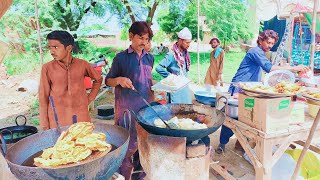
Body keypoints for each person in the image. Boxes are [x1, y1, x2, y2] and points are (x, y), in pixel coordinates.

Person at [216, 29, 309, 154]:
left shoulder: (261, 53)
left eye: (272, 44)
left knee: (247, 117)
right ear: (260, 40)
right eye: (268, 42)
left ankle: (240, 144)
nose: (270, 46)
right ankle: (222, 144)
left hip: (248, 90)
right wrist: (293, 68)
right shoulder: (255, 51)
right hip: (238, 87)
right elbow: (270, 68)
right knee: (231, 118)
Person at [105, 21, 154, 180]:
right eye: (141, 38)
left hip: (145, 110)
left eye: (147, 39)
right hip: (126, 110)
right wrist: (118, 79)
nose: (144, 42)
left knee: (144, 144)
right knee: (126, 145)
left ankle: (139, 175)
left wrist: (156, 92)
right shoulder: (121, 58)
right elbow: (108, 81)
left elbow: (148, 81)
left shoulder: (149, 58)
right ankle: (123, 176)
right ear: (131, 36)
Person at [39, 30, 102, 130]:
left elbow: (98, 79)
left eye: (55, 47)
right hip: (57, 119)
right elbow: (43, 98)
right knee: (61, 144)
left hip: (81, 116)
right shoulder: (47, 68)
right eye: (50, 48)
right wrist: (44, 124)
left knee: (84, 143)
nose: (51, 51)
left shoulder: (82, 64)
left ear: (69, 48)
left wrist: (90, 98)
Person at [155, 27, 193, 104]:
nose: (189, 45)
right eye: (187, 42)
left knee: (186, 112)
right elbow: (158, 68)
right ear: (179, 41)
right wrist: (171, 77)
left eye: (189, 42)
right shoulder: (171, 54)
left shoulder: (185, 54)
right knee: (175, 112)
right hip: (175, 91)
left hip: (185, 90)